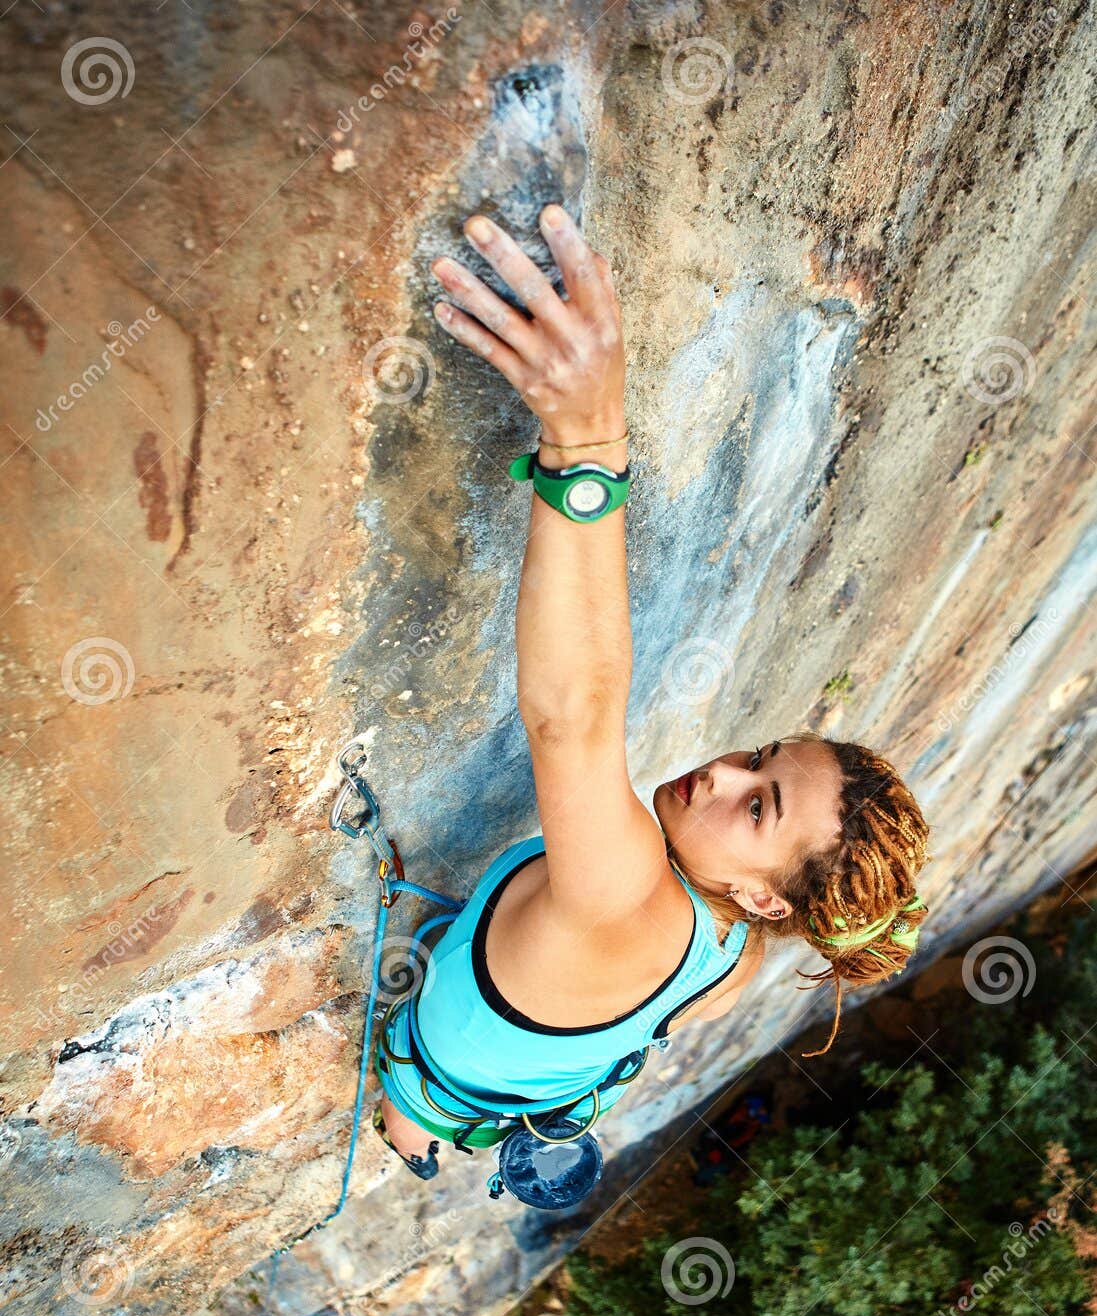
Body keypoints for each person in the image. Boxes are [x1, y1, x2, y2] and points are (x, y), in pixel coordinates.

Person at [373, 204, 930, 1181]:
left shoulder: (629, 892)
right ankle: (429, 1129)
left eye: (755, 803)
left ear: (759, 890)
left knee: (415, 1093)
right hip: (511, 1085)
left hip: (438, 1078)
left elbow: (573, 720)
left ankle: (405, 1121)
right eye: (757, 759)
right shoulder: (738, 942)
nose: (717, 772)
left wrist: (584, 439)